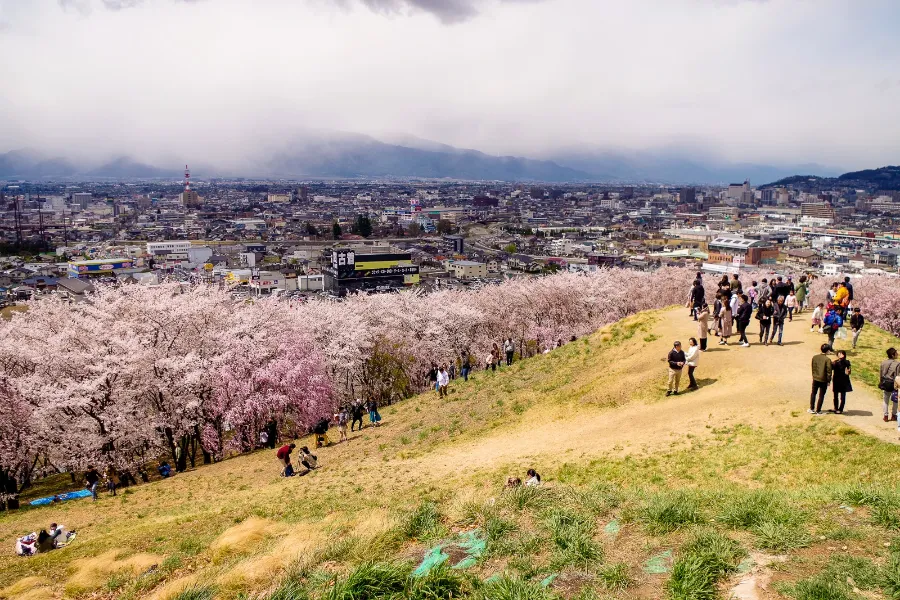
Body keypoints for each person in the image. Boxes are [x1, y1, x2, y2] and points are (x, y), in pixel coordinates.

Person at [809, 343, 833, 415]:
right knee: (821, 395)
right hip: (823, 379)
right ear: (828, 351)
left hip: (815, 378)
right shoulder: (827, 360)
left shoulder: (815, 357)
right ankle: (818, 410)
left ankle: (811, 408)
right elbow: (829, 371)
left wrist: (814, 375)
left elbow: (813, 366)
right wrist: (829, 380)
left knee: (813, 393)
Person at [879, 348, 900, 422]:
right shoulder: (897, 364)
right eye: (896, 353)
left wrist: (881, 382)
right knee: (895, 400)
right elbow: (897, 376)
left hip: (885, 383)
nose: (897, 354)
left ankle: (885, 416)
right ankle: (893, 415)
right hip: (893, 384)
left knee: (885, 400)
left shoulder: (883, 362)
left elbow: (881, 374)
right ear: (892, 355)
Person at [832, 350, 852, 414]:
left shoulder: (837, 362)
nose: (839, 355)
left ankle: (838, 408)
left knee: (838, 395)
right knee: (840, 395)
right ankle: (839, 408)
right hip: (842, 380)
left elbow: (849, 371)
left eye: (840, 354)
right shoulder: (846, 362)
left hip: (839, 380)